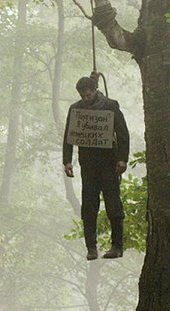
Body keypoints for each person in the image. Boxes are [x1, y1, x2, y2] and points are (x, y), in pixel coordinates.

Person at [63, 76, 130, 260]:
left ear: (95, 89)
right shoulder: (76, 109)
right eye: (82, 96)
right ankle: (91, 248)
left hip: (109, 164)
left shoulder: (110, 106)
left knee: (113, 204)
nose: (85, 98)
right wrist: (67, 161)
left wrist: (122, 159)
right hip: (88, 165)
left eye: (88, 94)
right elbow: (69, 135)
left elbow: (122, 133)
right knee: (89, 207)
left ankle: (117, 246)